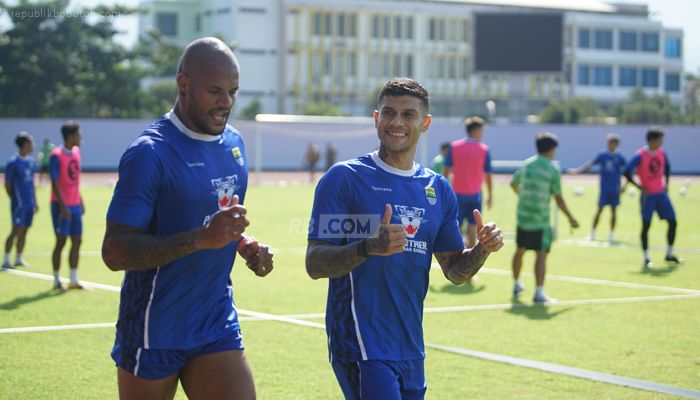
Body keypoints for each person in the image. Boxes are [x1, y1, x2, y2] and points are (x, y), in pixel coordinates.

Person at [305, 78, 504, 399]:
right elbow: (315, 263)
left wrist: (482, 249)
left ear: (425, 123)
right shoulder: (345, 179)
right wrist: (368, 247)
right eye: (389, 113)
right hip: (361, 343)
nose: (397, 122)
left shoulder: (438, 189)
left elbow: (454, 271)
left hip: (411, 345)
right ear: (376, 118)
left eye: (408, 114)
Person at [101, 37, 274, 400]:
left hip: (214, 319)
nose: (226, 103)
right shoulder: (150, 153)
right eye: (215, 91)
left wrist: (244, 244)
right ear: (183, 85)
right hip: (154, 326)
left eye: (232, 92)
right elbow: (114, 252)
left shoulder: (235, 145)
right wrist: (200, 238)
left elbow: (214, 222)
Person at [511, 132, 578, 303]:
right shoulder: (552, 169)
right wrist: (570, 217)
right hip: (540, 220)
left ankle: (516, 284)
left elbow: (513, 183)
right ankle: (539, 293)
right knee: (540, 254)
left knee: (520, 250)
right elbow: (558, 198)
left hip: (523, 215)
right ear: (551, 149)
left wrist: (524, 196)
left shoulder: (527, 164)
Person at [623, 126, 682, 269]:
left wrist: (666, 184)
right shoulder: (640, 155)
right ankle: (646, 258)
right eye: (660, 140)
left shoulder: (662, 153)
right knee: (646, 226)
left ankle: (669, 254)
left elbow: (667, 168)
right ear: (652, 140)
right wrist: (639, 187)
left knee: (673, 222)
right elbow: (626, 171)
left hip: (661, 194)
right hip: (647, 197)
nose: (661, 143)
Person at [443, 117, 493, 250]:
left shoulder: (454, 147)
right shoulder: (484, 149)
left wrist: (443, 193)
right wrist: (490, 195)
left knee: (456, 231)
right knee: (473, 233)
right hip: (475, 196)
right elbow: (488, 175)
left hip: (456, 196)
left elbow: (446, 171)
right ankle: (467, 261)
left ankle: (458, 258)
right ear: (476, 130)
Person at [567, 133, 627, 242]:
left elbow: (628, 172)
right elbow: (590, 164)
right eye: (608, 143)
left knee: (614, 212)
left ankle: (611, 235)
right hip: (604, 189)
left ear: (616, 144)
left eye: (612, 143)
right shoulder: (603, 155)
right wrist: (577, 171)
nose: (610, 145)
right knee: (599, 210)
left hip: (615, 189)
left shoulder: (620, 157)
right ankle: (592, 234)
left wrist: (625, 186)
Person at [50, 121, 85, 290]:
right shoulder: (56, 155)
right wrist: (63, 207)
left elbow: (75, 180)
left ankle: (73, 279)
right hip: (61, 205)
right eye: (79, 134)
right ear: (71, 136)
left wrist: (81, 200)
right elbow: (55, 182)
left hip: (75, 204)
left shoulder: (77, 152)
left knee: (77, 240)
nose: (81, 138)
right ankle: (57, 280)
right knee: (61, 241)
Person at [3, 132, 38, 269]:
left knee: (25, 230)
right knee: (15, 230)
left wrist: (35, 201)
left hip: (29, 203)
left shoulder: (30, 162)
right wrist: (15, 200)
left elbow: (32, 183)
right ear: (24, 144)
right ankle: (6, 259)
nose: (33, 145)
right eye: (31, 142)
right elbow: (8, 184)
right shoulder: (13, 163)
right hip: (19, 205)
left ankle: (18, 258)